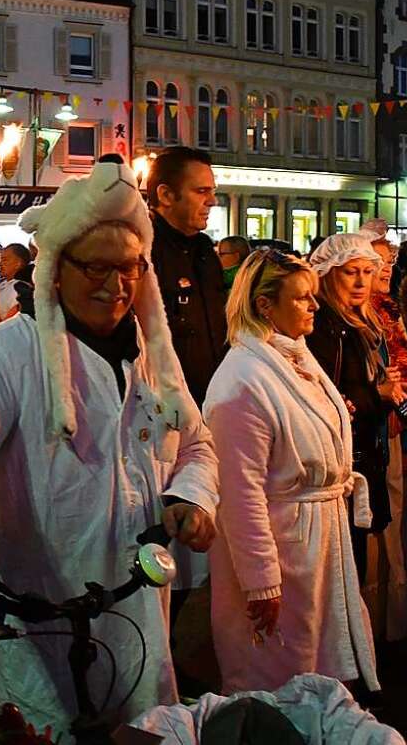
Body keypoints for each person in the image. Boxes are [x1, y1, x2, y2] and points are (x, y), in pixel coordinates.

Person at [0, 157, 218, 731]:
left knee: (141, 728)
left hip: (135, 609)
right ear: (56, 268)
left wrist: (193, 496)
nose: (116, 286)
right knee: (38, 729)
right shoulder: (4, 354)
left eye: (130, 269)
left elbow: (197, 442)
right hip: (36, 612)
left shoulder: (155, 360)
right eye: (97, 268)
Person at [205, 249, 379, 695]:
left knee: (318, 671)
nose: (315, 307)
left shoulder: (295, 359)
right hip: (286, 547)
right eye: (302, 298)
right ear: (266, 305)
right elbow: (239, 493)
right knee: (278, 677)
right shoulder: (242, 380)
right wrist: (261, 579)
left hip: (318, 542)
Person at [146, 146, 227, 632]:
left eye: (213, 191)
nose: (211, 201)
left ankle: (168, 653)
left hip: (205, 416)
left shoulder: (205, 253)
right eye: (201, 191)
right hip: (160, 420)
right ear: (164, 194)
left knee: (194, 547)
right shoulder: (146, 250)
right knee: (158, 542)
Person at [307, 234, 405, 581]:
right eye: (351, 272)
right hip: (341, 464)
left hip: (365, 453)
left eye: (368, 271)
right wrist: (375, 394)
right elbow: (325, 400)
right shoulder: (322, 326)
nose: (362, 281)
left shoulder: (362, 323)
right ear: (330, 273)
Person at [361, 223, 407, 642]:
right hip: (369, 428)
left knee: (391, 519)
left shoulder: (389, 311)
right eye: (376, 263)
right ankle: (374, 625)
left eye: (389, 262)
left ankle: (390, 622)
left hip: (390, 424)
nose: (384, 270)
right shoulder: (355, 316)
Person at [0, 243, 33, 317]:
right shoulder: (0, 285)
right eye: (1, 259)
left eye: (5, 260)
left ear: (18, 264)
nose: (0, 263)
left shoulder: (22, 289)